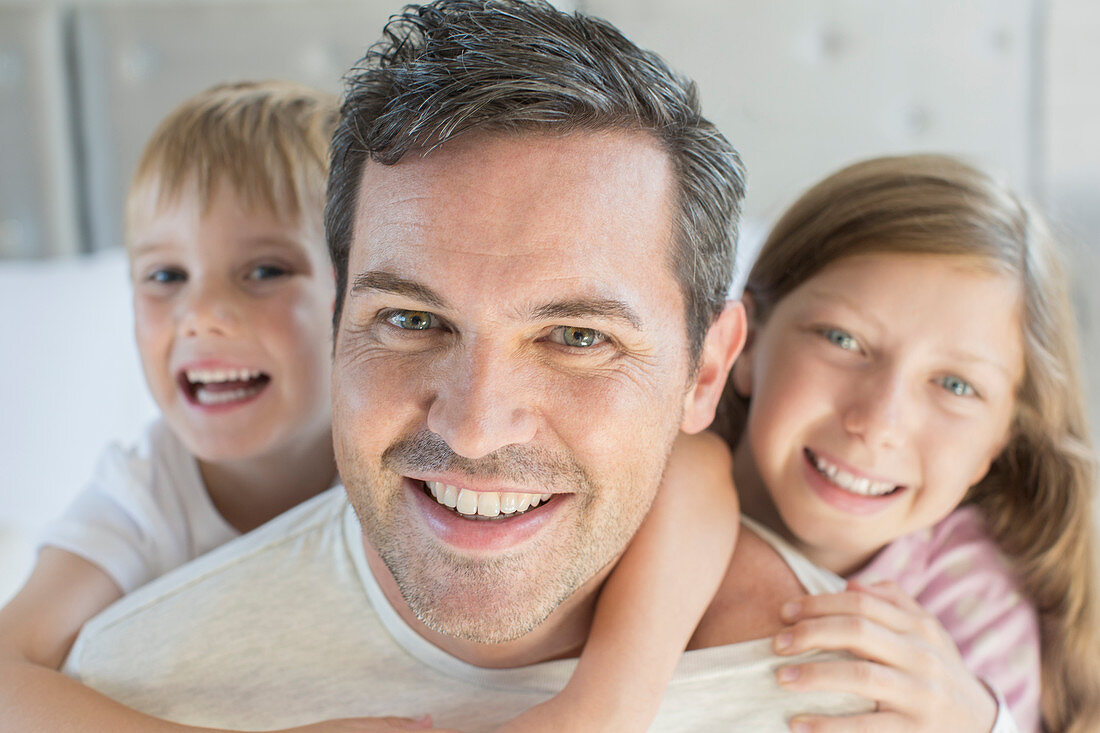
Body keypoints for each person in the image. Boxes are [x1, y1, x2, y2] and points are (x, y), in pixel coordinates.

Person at [58, 1, 874, 731]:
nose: (476, 428)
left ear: (705, 371)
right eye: (412, 320)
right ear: (338, 327)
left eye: (579, 337)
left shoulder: (864, 699)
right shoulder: (135, 683)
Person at [0, 81, 454, 732]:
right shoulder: (144, 494)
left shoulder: (410, 455)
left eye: (264, 271)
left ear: (361, 296)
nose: (201, 315)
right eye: (166, 276)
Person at [706, 154, 1100, 733]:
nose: (879, 421)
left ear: (999, 442)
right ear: (747, 341)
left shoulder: (974, 603)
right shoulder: (659, 471)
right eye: (843, 340)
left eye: (956, 385)